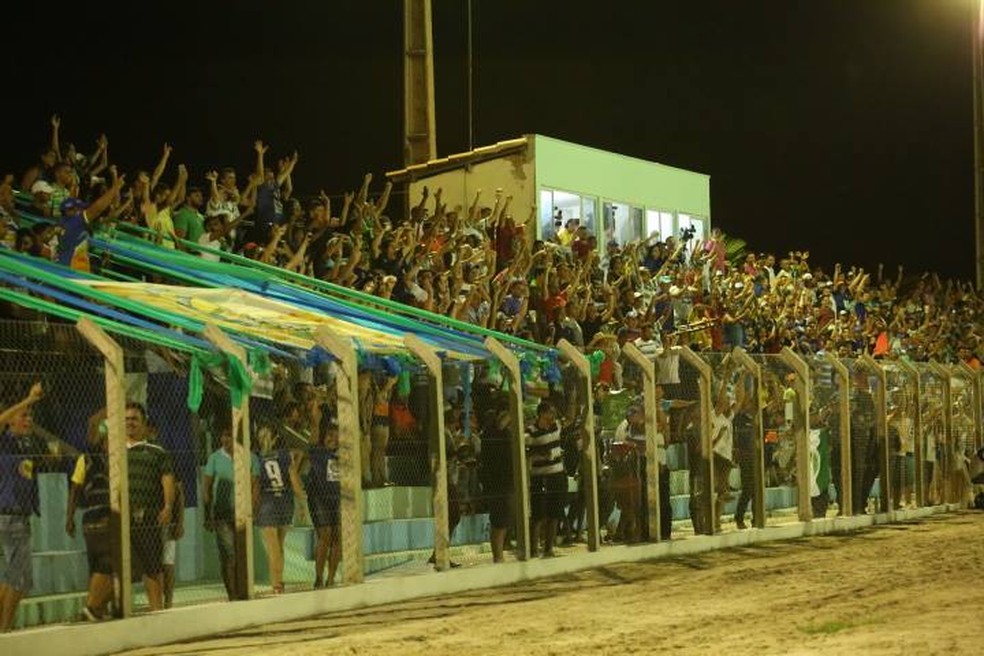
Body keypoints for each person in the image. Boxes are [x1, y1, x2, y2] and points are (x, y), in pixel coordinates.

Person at [0, 383, 46, 632]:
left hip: (21, 517)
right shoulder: (4, 441)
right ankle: (4, 631)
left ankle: (3, 628)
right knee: (19, 578)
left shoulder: (26, 444)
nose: (28, 419)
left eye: (31, 415)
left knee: (14, 576)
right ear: (10, 420)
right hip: (9, 516)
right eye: (23, 415)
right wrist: (28, 399)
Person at [124, 402, 176, 611]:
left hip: (147, 517)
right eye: (126, 419)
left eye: (134, 419)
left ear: (144, 424)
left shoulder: (157, 452)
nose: (130, 423)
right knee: (117, 567)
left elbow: (168, 479)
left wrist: (168, 506)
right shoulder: (114, 450)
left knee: (152, 567)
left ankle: (158, 612)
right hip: (121, 517)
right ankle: (121, 612)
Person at [203, 415, 260, 601]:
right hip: (222, 513)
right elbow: (207, 488)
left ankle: (243, 592)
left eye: (230, 435)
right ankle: (232, 595)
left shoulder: (250, 457)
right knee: (229, 555)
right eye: (224, 435)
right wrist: (207, 513)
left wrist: (253, 510)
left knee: (242, 553)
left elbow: (255, 486)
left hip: (243, 513)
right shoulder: (214, 458)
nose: (226, 439)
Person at [66, 409, 113, 621]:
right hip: (100, 517)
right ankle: (92, 607)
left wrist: (70, 517)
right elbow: (75, 489)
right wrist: (114, 402)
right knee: (107, 563)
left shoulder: (114, 461)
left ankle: (98, 607)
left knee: (98, 567)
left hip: (93, 520)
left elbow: (75, 489)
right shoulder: (91, 458)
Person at [253, 423, 305, 595]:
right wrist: (302, 503)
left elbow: (256, 485)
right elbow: (295, 481)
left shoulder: (258, 458)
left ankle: (276, 584)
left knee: (273, 547)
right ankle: (279, 582)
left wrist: (253, 508)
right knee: (279, 546)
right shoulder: (284, 455)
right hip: (285, 500)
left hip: (268, 502)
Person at [526, 400, 566, 557]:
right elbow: (524, 452)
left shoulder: (557, 426)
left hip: (557, 474)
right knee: (538, 515)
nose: (553, 416)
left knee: (555, 513)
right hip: (540, 476)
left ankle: (549, 548)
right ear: (542, 414)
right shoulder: (531, 432)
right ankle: (533, 549)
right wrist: (539, 453)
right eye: (550, 413)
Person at [305, 417, 342, 588]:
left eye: (336, 436)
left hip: (337, 499)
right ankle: (319, 577)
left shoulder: (345, 455)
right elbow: (313, 430)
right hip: (318, 498)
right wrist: (314, 413)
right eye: (329, 435)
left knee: (337, 538)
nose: (332, 439)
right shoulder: (317, 452)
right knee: (325, 535)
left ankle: (331, 578)